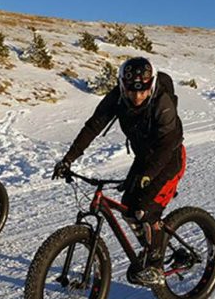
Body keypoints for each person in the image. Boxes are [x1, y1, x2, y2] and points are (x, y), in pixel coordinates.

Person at [53, 57, 186, 285]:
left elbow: (166, 146)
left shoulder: (163, 103)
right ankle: (152, 245)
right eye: (131, 91)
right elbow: (93, 125)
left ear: (151, 85)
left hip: (168, 159)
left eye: (143, 91)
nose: (137, 97)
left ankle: (155, 263)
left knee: (145, 208)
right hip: (144, 158)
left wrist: (148, 175)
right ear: (123, 85)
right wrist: (68, 159)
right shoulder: (117, 97)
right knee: (128, 208)